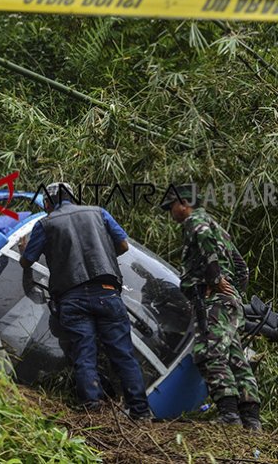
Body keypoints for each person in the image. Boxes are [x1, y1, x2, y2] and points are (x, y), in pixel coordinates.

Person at [19, 182, 152, 421]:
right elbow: (122, 245)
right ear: (73, 197)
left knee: (84, 356)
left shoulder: (45, 224)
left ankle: (94, 412)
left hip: (72, 299)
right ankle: (141, 412)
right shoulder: (98, 212)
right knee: (123, 355)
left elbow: (27, 261)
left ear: (48, 203)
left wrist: (24, 249)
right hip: (107, 292)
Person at [160, 184, 261, 430]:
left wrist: (215, 281)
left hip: (213, 303)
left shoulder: (196, 223)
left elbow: (207, 249)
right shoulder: (217, 226)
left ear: (184, 203)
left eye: (171, 206)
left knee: (209, 352)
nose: (170, 212)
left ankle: (229, 416)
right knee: (235, 358)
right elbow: (241, 266)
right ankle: (252, 420)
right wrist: (235, 290)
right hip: (228, 302)